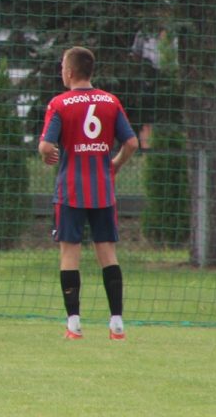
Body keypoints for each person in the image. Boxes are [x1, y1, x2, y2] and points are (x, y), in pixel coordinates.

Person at [38, 46, 138, 341]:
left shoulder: (60, 104)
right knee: (107, 251)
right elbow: (131, 143)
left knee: (70, 253)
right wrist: (114, 165)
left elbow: (46, 146)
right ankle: (117, 323)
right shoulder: (110, 101)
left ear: (69, 72)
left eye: (61, 68)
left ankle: (74, 324)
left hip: (70, 190)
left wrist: (47, 154)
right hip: (102, 190)